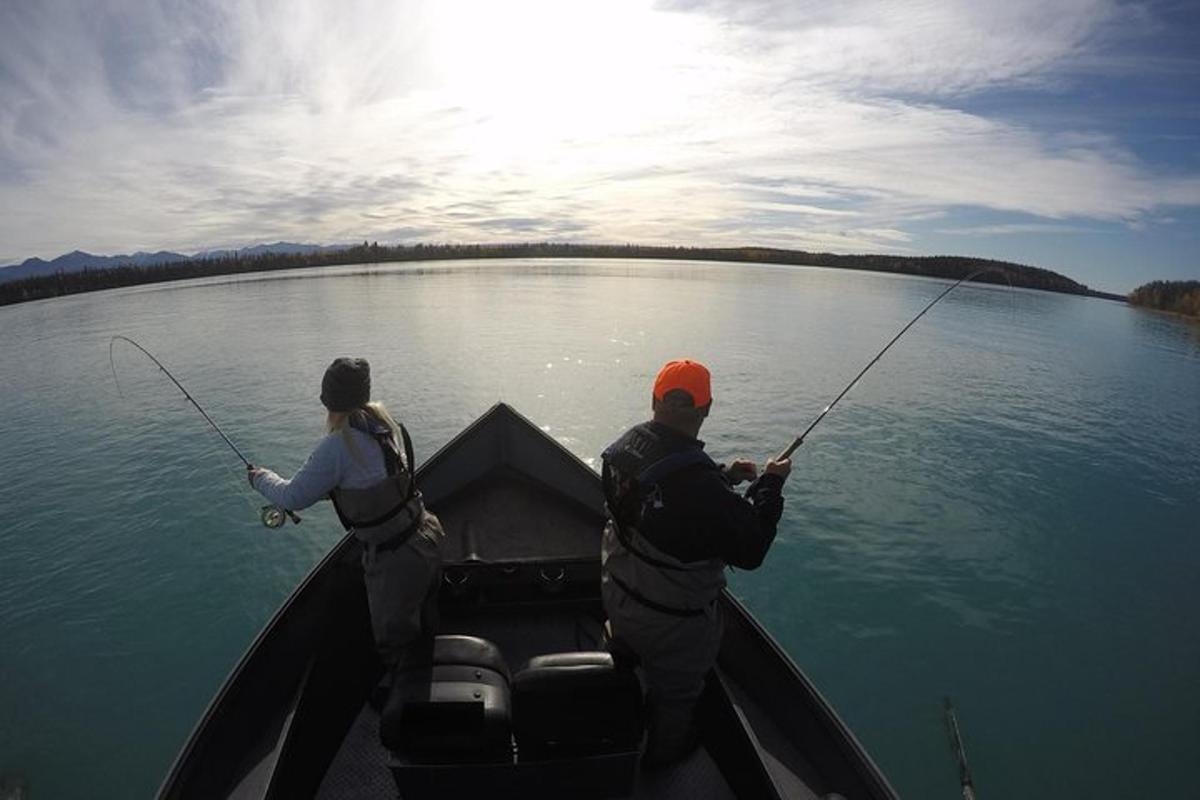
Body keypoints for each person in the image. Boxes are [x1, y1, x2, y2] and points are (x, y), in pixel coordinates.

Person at [600, 358, 791, 765]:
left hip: (617, 595)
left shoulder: (623, 449)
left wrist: (722, 474)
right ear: (706, 409)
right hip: (671, 626)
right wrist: (770, 484)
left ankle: (622, 661)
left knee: (628, 640)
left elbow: (661, 494)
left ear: (653, 399)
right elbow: (752, 548)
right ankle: (664, 755)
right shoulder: (702, 492)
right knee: (677, 697)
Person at [248, 357, 443, 667]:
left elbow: (292, 497)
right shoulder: (386, 428)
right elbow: (373, 482)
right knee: (427, 621)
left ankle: (407, 700)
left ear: (330, 401)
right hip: (426, 537)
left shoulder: (338, 447)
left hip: (395, 563)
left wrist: (259, 478)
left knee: (398, 647)